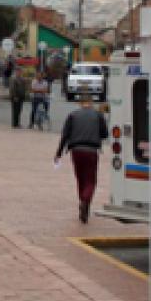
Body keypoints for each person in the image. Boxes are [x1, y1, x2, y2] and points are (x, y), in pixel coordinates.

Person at [54, 95, 110, 223]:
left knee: (80, 179)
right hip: (91, 151)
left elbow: (65, 136)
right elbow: (105, 134)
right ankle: (85, 201)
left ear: (80, 104)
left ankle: (83, 202)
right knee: (91, 180)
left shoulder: (72, 115)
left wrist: (58, 153)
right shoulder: (98, 115)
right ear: (91, 103)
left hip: (76, 151)